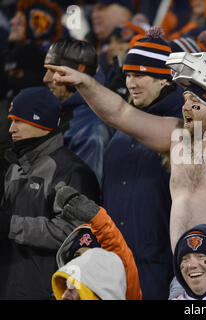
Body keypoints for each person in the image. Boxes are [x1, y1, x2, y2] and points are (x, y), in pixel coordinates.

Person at [45, 49, 206, 300]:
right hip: (184, 275)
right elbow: (120, 113)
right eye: (185, 99)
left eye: (194, 102)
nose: (185, 107)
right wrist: (84, 82)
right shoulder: (177, 138)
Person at [101, 27, 184, 300]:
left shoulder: (185, 125)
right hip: (116, 260)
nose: (131, 83)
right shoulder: (122, 129)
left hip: (161, 265)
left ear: (164, 79)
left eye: (140, 75)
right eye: (127, 75)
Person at [0, 87, 99, 299]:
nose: (11, 129)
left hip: (50, 289)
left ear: (41, 122)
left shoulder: (72, 171)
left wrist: (11, 225)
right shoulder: (14, 168)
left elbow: (74, 233)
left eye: (18, 121)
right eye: (11, 121)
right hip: (11, 286)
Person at [43, 38, 114, 185]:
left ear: (78, 71)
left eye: (54, 71)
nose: (46, 78)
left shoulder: (91, 126)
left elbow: (86, 194)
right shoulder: (64, 111)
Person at [51, 185, 142, 300]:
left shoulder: (118, 292)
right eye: (77, 256)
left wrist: (99, 219)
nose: (82, 261)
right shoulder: (64, 293)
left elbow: (120, 258)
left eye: (90, 256)